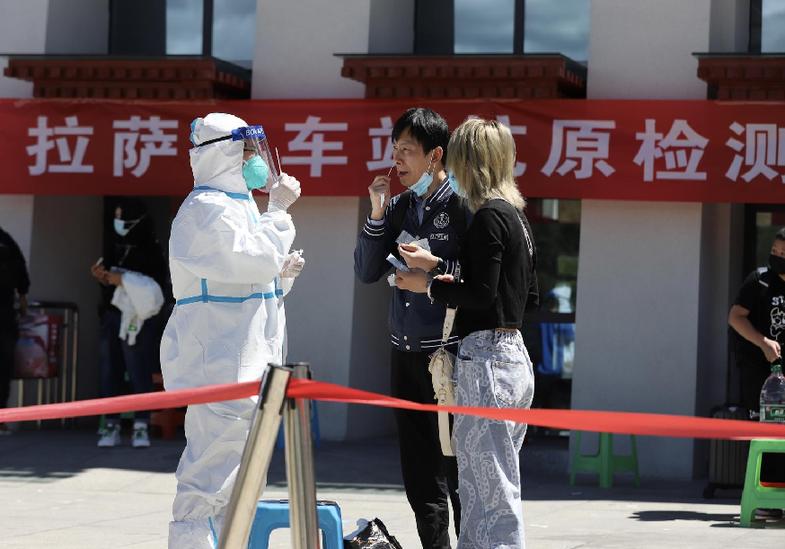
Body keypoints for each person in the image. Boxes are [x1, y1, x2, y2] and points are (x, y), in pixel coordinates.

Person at [161, 112, 304, 548]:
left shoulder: (236, 207)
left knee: (239, 485)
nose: (254, 161)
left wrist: (281, 277)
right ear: (221, 154)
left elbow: (253, 278)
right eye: (245, 152)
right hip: (220, 365)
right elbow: (251, 260)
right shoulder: (204, 210)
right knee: (208, 481)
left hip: (247, 364)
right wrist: (277, 213)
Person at [395, 118, 538, 548]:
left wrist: (428, 285)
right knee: (487, 482)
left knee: (487, 490)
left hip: (486, 362)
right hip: (514, 358)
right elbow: (526, 297)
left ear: (469, 162)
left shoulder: (487, 216)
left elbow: (480, 294)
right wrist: (438, 266)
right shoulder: (515, 217)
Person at [354, 107, 470, 548]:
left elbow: (482, 280)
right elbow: (367, 271)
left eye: (407, 150)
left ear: (435, 155)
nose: (397, 159)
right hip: (403, 352)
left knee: (457, 469)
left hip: (448, 354)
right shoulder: (400, 207)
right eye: (394, 149)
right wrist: (377, 214)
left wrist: (433, 274)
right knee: (419, 473)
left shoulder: (463, 206)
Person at [90, 198, 168, 448]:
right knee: (109, 370)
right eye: (116, 217)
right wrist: (103, 277)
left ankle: (141, 425)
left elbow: (156, 288)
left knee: (138, 369)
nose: (118, 223)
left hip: (139, 319)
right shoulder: (114, 245)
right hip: (113, 315)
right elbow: (110, 280)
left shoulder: (151, 249)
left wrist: (123, 280)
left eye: (122, 218)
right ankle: (111, 424)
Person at [728, 227, 785, 515]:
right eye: (774, 252)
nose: (777, 257)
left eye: (783, 254)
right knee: (766, 433)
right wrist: (763, 342)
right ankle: (766, 499)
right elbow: (735, 317)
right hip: (761, 373)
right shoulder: (759, 280)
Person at [0, 226, 30, 434]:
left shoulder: (5, 241)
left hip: (4, 316)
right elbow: (21, 274)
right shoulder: (6, 240)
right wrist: (22, 295)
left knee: (3, 368)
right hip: (5, 316)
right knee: (3, 369)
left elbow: (20, 273)